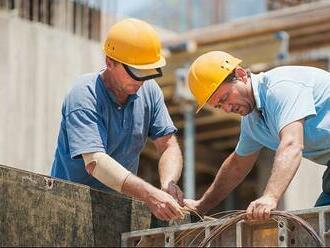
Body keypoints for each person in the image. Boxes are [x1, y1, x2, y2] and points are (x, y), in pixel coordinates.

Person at [50, 18, 185, 221]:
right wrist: (149, 194)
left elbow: (168, 146)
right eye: (136, 71)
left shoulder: (149, 90)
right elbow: (95, 162)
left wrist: (168, 184)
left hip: (117, 210)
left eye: (148, 71)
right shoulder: (84, 94)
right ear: (109, 62)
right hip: (69, 207)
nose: (142, 79)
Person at [184, 50, 330, 220]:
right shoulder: (252, 123)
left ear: (240, 75)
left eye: (225, 98)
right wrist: (202, 206)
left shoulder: (280, 88)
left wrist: (270, 196)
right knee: (319, 228)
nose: (226, 109)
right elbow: (237, 165)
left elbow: (291, 145)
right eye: (218, 106)